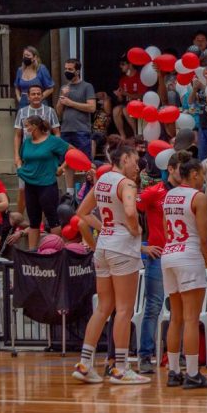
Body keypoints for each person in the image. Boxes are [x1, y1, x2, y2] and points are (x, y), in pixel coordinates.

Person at [73, 146, 149, 385]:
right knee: (125, 309)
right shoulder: (126, 184)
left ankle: (85, 363)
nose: (137, 167)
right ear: (124, 159)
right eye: (135, 161)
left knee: (103, 307)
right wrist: (135, 229)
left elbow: (81, 212)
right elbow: (129, 210)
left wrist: (106, 225)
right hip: (122, 247)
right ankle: (121, 368)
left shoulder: (103, 179)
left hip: (104, 245)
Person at [161, 152, 207, 389]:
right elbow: (204, 236)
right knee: (192, 319)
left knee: (176, 318)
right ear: (194, 174)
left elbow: (165, 230)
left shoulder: (169, 195)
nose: (203, 180)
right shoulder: (198, 197)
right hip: (189, 255)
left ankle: (173, 371)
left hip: (169, 254)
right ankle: (193, 373)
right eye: (202, 176)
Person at [135, 153, 185, 374]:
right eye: (180, 169)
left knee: (181, 307)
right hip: (158, 256)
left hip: (182, 255)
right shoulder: (154, 192)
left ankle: (176, 354)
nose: (183, 173)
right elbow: (127, 213)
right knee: (153, 307)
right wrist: (141, 246)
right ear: (171, 169)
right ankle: (145, 356)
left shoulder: (189, 193)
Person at [17, 116, 73, 250]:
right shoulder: (27, 142)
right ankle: (32, 252)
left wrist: (62, 167)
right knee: (33, 221)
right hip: (30, 184)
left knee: (52, 218)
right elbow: (23, 157)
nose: (26, 129)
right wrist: (19, 166)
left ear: (35, 126)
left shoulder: (53, 141)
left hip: (47, 184)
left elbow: (72, 151)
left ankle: (58, 250)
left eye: (27, 126)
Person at [13, 85, 61, 214]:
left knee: (45, 190)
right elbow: (17, 135)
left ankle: (43, 223)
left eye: (38, 93)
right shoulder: (22, 112)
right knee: (22, 189)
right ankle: (19, 221)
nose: (36, 96)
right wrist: (17, 156)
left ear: (42, 95)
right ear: (28, 97)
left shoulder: (50, 111)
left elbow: (57, 133)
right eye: (33, 94)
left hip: (45, 157)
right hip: (27, 157)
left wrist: (54, 150)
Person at [56, 58, 96, 196]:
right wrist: (63, 97)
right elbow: (58, 112)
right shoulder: (64, 88)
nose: (67, 72)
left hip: (81, 129)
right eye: (66, 69)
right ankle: (70, 192)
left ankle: (91, 190)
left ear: (77, 71)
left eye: (70, 69)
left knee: (86, 161)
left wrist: (71, 102)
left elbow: (92, 107)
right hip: (66, 129)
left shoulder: (87, 86)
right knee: (68, 160)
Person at [112, 55, 146, 137]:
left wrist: (126, 93)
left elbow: (142, 96)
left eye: (123, 64)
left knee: (126, 109)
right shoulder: (123, 79)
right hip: (127, 104)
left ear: (130, 65)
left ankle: (136, 133)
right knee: (116, 110)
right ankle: (123, 136)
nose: (120, 66)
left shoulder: (140, 77)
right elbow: (120, 100)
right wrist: (119, 95)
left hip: (139, 104)